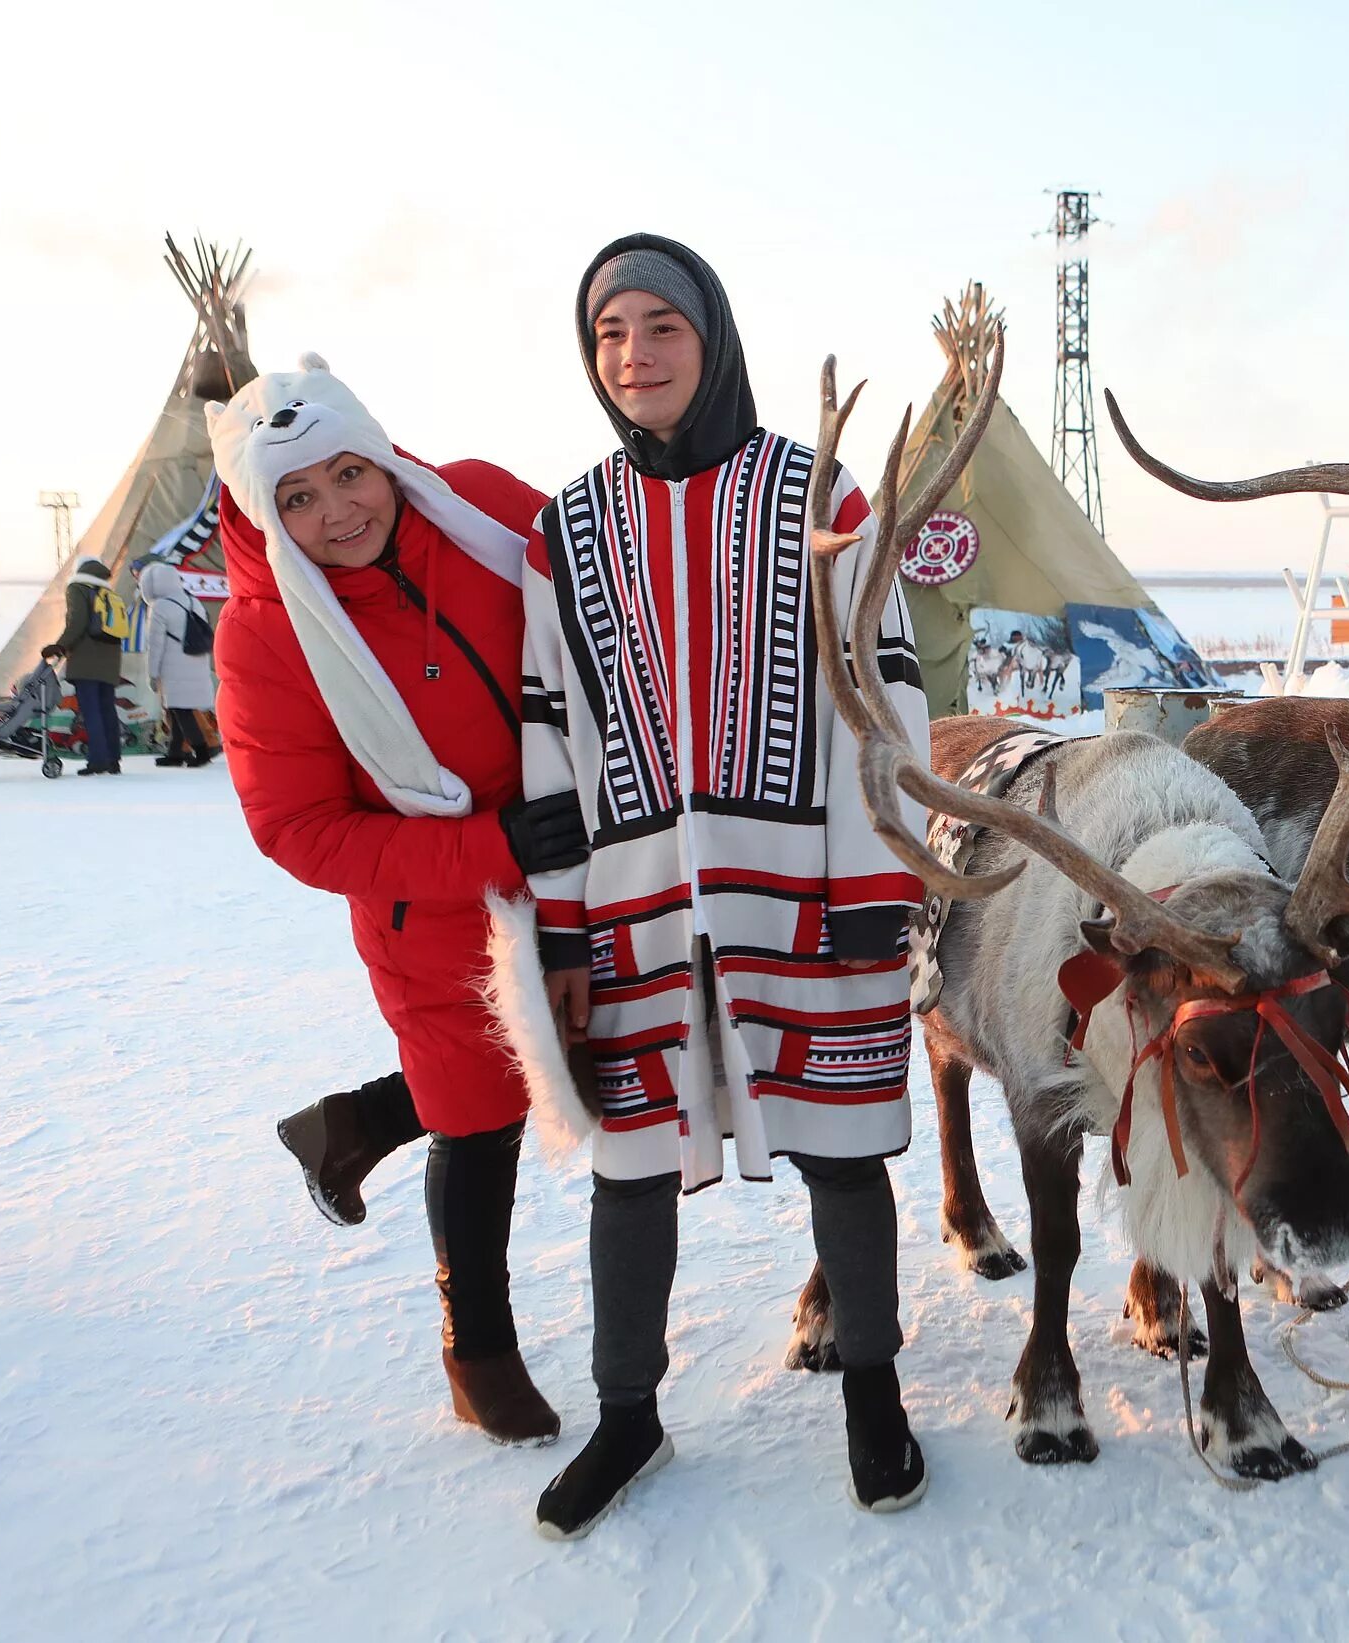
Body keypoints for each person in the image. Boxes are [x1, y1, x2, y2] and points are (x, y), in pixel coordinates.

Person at [513, 235, 931, 1537]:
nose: (633, 355)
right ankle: (626, 1411)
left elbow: (889, 696)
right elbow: (546, 727)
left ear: (715, 337)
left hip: (807, 884)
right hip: (633, 902)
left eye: (661, 327)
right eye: (609, 333)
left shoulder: (822, 494)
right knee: (628, 1163)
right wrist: (562, 926)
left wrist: (880, 877)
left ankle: (873, 1388)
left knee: (843, 1149)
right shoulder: (563, 528)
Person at [208, 355, 591, 1447]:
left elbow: (611, 582)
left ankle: (359, 1120)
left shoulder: (477, 503)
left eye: (347, 473)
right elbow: (298, 828)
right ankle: (479, 1352)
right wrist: (490, 845)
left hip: (577, 856)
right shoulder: (265, 629)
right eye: (298, 498)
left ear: (378, 449)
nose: (338, 511)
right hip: (434, 909)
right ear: (265, 514)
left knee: (577, 1056)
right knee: (480, 1115)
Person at [138, 561, 218, 767]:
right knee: (177, 709)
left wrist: (152, 675)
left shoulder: (160, 606)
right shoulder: (193, 601)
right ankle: (175, 753)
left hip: (173, 666)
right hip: (196, 663)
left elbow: (155, 645)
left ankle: (201, 752)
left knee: (181, 710)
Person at [55, 557, 126, 775]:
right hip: (110, 661)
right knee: (107, 709)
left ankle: (97, 760)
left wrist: (59, 646)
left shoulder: (78, 588)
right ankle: (113, 759)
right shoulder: (110, 593)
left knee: (91, 710)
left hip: (86, 660)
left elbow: (77, 622)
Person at [0, 646, 65, 755]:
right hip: (33, 703)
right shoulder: (47, 676)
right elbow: (58, 699)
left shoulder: (38, 675)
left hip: (28, 704)